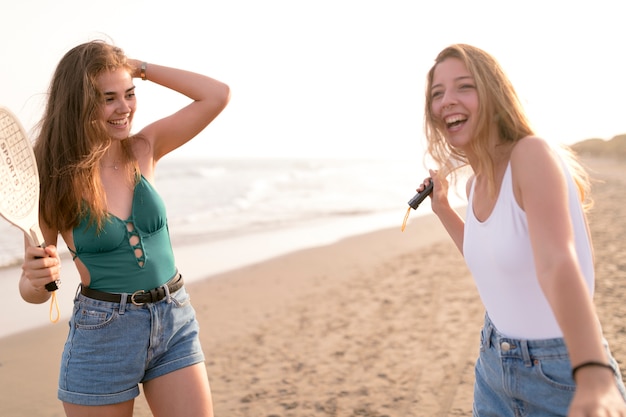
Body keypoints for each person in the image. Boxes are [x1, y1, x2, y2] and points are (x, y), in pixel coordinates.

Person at [19, 40, 230, 417]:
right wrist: (36, 280)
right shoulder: (49, 179)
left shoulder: (145, 147)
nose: (124, 109)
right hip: (103, 334)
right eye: (108, 98)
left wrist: (137, 66)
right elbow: (33, 290)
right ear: (79, 103)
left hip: (174, 317)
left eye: (129, 94)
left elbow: (216, 95)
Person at [416, 43, 626, 416]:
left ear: (494, 94)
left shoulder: (531, 155)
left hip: (559, 369)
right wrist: (443, 208)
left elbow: (557, 262)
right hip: (493, 365)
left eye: (464, 86)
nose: (446, 100)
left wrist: (593, 371)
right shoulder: (475, 184)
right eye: (437, 93)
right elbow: (493, 265)